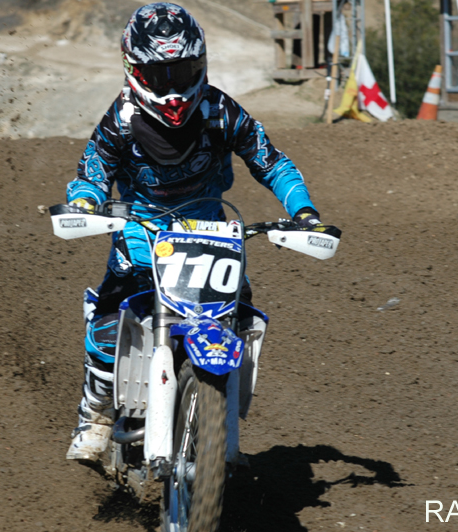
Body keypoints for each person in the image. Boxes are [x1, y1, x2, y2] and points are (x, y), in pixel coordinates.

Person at [65, 2, 328, 463]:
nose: (172, 88)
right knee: (109, 321)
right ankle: (96, 414)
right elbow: (92, 172)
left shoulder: (220, 111)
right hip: (141, 233)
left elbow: (271, 162)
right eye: (159, 75)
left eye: (182, 71)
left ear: (200, 64)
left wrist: (303, 211)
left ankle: (218, 422)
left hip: (208, 233)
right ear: (134, 70)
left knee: (239, 318)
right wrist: (85, 202)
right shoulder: (120, 120)